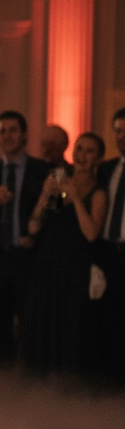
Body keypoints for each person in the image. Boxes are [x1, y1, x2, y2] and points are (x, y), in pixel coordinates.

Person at [22, 133, 107, 378]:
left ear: (98, 159)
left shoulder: (98, 192)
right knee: (44, 320)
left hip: (75, 266)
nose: (81, 155)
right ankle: (41, 382)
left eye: (89, 151)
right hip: (47, 261)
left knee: (71, 324)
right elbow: (34, 227)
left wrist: (76, 198)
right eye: (79, 149)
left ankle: (70, 386)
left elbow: (91, 233)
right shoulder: (60, 181)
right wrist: (44, 197)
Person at [0, 111, 48, 368]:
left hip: (29, 259)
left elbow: (57, 211)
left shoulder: (43, 169)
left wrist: (36, 238)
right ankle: (1, 391)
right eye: (2, 131)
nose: (7, 136)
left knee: (31, 327)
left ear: (24, 134)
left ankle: (31, 388)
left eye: (13, 130)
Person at [96, 107, 125, 386]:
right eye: (117, 130)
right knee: (110, 319)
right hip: (110, 253)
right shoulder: (106, 169)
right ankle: (111, 383)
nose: (122, 136)